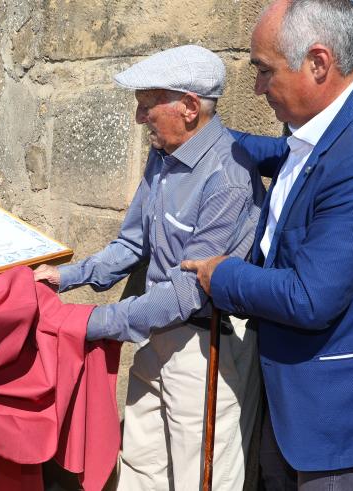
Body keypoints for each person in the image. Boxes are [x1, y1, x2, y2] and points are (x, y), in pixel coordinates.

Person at [183, 1, 353, 489]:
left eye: (264, 71)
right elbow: (294, 158)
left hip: (338, 409)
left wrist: (221, 274)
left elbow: (308, 298)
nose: (258, 87)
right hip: (297, 389)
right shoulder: (346, 116)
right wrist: (211, 139)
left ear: (318, 63)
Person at [34, 45, 264, 490]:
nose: (140, 119)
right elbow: (131, 242)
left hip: (205, 347)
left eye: (146, 106)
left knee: (203, 479)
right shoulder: (162, 156)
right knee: (140, 469)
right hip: (155, 334)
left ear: (190, 107)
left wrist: (95, 322)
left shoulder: (227, 177)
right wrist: (66, 277)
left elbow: (185, 291)